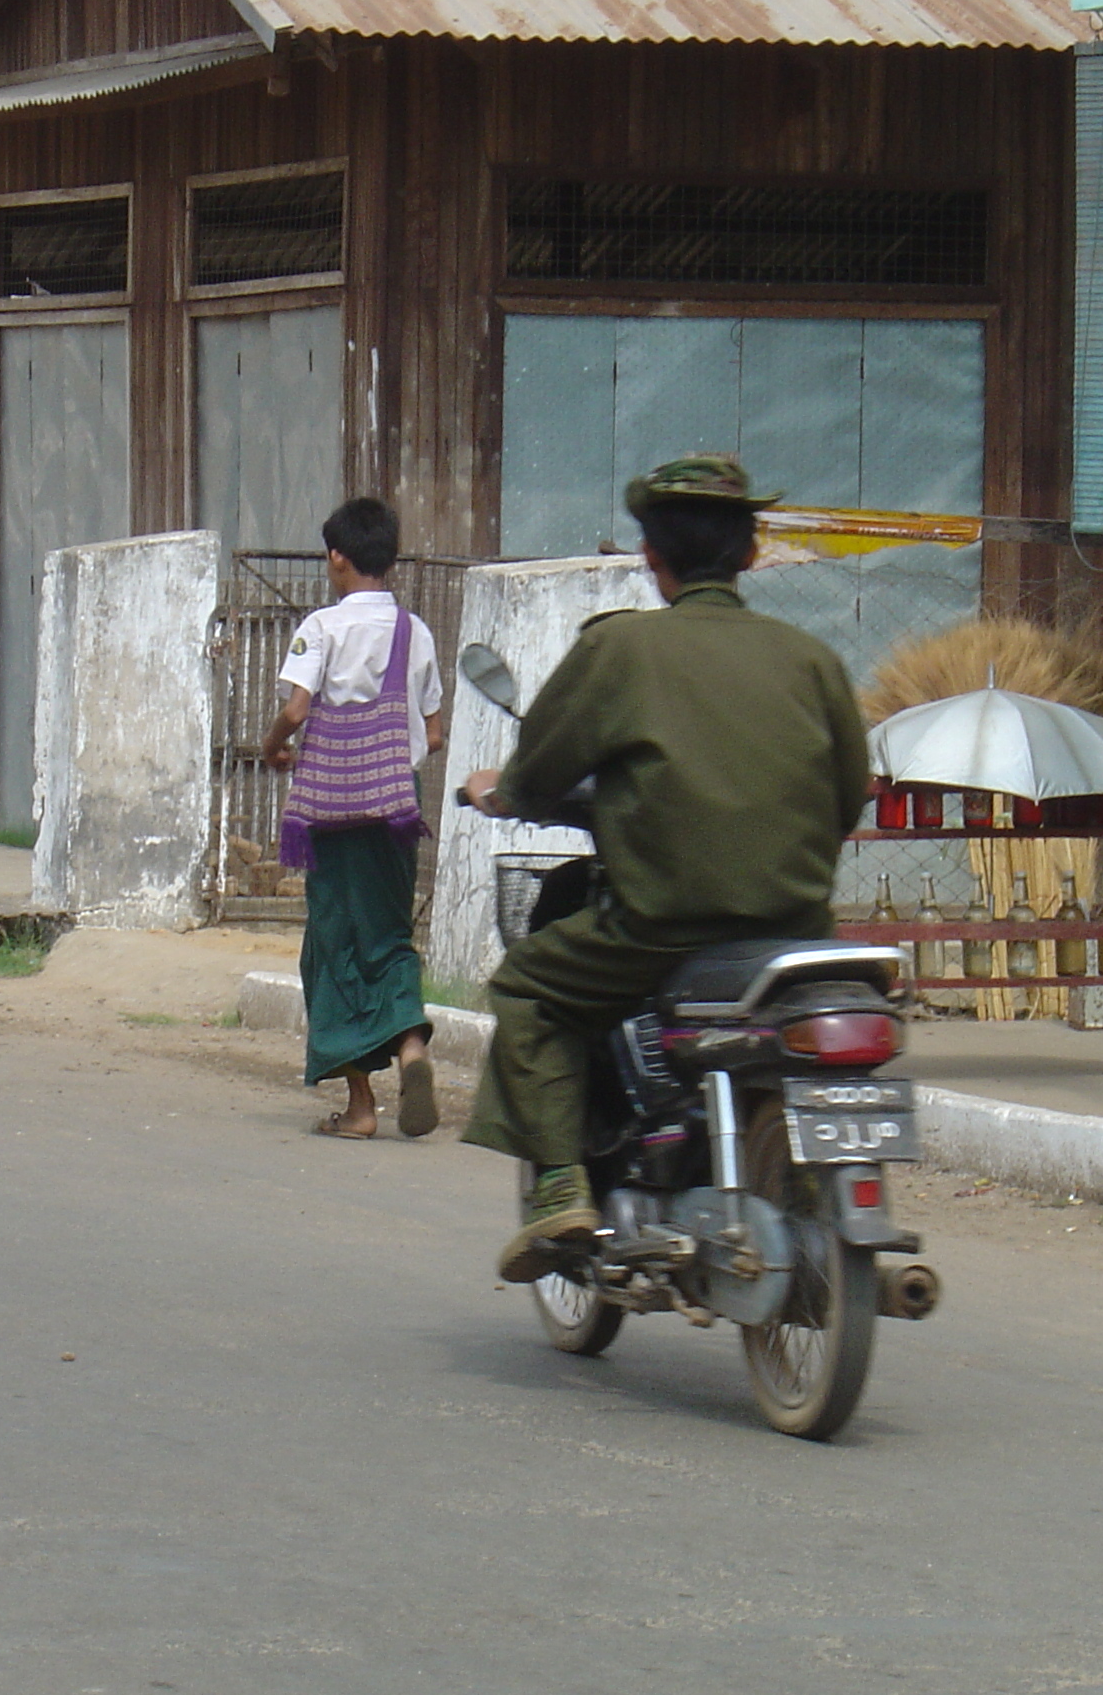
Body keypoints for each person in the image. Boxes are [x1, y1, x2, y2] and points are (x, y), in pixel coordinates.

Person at [460, 456, 872, 1281]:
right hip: (794, 934)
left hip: (660, 929)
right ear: (751, 553)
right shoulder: (813, 661)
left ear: (651, 555)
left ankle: (561, 1193)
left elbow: (539, 771)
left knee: (531, 991)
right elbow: (846, 794)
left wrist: (502, 792)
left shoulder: (621, 649)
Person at [262, 497, 448, 1140]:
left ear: (338, 557)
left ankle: (362, 1108)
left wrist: (273, 747)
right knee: (390, 936)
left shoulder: (323, 626)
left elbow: (296, 709)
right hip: (395, 809)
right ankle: (412, 1048)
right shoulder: (413, 631)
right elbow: (435, 730)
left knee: (333, 944)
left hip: (330, 815)